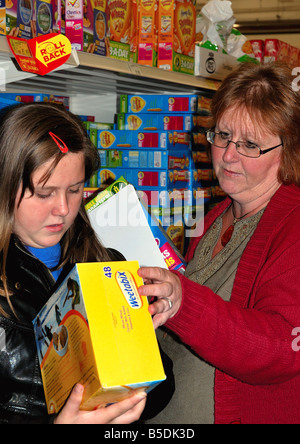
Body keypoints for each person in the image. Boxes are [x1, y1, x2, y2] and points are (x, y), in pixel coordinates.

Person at [138, 62, 300, 424]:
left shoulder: (293, 227)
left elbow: (282, 350)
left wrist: (183, 302)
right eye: (223, 135)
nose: (228, 155)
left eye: (250, 145)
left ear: (289, 149)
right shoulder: (216, 215)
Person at [0, 102, 173, 424]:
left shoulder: (107, 264)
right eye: (43, 193)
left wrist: (136, 353)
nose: (63, 209)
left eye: (75, 189)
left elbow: (162, 388)